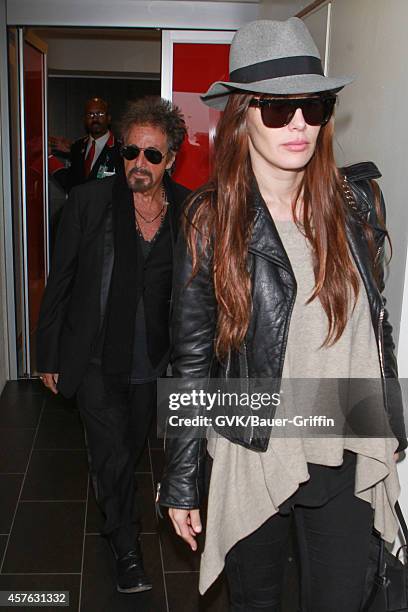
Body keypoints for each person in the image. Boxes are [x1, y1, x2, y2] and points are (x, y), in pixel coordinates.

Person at [157, 18, 407, 612]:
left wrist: (391, 418)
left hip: (344, 429)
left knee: (345, 596)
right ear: (242, 115)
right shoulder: (208, 220)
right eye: (277, 109)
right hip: (253, 440)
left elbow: (377, 324)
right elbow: (191, 356)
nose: (299, 124)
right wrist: (182, 478)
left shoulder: (356, 200)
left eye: (314, 106)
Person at [37, 97, 190, 594]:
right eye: (130, 153)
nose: (137, 165)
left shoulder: (188, 210)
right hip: (97, 357)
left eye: (151, 156)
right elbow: (60, 282)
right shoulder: (90, 202)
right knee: (113, 457)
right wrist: (49, 354)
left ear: (171, 160)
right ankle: (127, 548)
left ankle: (121, 520)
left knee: (131, 450)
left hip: (153, 361)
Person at [49, 97, 123, 193]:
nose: (95, 118)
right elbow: (71, 184)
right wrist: (49, 158)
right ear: (84, 119)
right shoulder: (77, 147)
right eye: (90, 114)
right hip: (80, 207)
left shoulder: (121, 150)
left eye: (100, 114)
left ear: (109, 118)